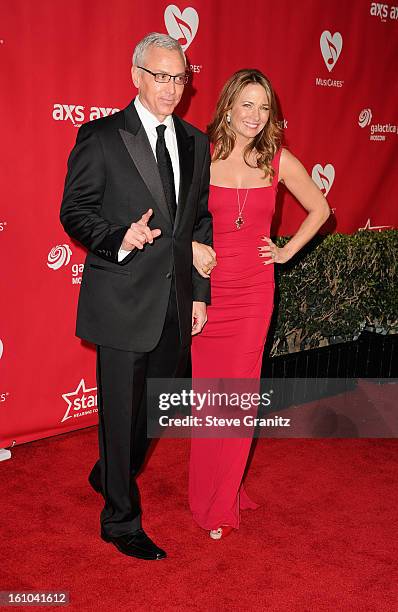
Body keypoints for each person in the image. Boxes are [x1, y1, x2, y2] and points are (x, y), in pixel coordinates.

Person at [60, 33, 212, 560]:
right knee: (121, 413)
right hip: (123, 300)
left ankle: (110, 471)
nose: (172, 88)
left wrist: (200, 294)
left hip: (176, 302)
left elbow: (200, 221)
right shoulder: (102, 137)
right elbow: (75, 210)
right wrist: (118, 237)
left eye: (180, 77)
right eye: (160, 76)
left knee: (158, 411)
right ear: (136, 76)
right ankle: (119, 520)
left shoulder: (196, 141)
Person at [189, 69, 330, 539]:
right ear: (227, 108)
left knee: (238, 398)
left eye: (264, 107)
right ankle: (211, 486)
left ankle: (221, 502)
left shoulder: (278, 160)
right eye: (246, 105)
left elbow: (321, 209)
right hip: (209, 291)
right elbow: (180, 221)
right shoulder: (201, 157)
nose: (255, 116)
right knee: (210, 397)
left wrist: (286, 251)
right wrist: (193, 255)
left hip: (253, 292)